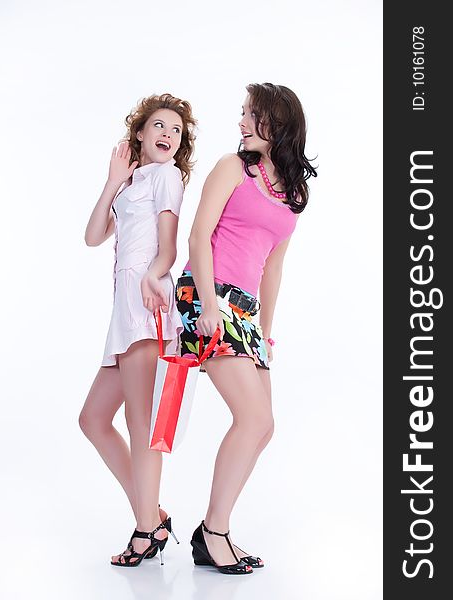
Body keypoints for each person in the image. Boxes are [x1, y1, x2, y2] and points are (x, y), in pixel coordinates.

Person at [175, 82, 317, 574]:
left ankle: (215, 530)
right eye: (241, 113)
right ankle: (212, 533)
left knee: (264, 425)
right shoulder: (231, 168)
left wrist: (267, 332)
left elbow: (273, 268)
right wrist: (210, 305)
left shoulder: (293, 193)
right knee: (253, 419)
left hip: (246, 311)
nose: (239, 122)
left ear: (276, 124)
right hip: (205, 295)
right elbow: (198, 236)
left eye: (249, 114)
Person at [79, 93, 196, 567]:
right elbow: (92, 236)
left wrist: (155, 275)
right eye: (160, 127)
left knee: (142, 425)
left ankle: (146, 530)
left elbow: (169, 244)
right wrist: (112, 182)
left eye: (176, 130)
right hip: (123, 310)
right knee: (93, 420)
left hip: (147, 301)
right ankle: (154, 515)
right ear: (141, 134)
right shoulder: (133, 184)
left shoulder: (167, 177)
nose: (169, 135)